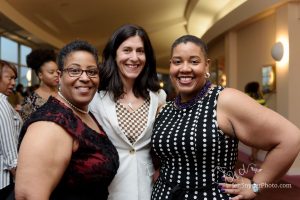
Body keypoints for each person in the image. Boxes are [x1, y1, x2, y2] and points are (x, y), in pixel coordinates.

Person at [150, 35, 300, 200]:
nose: (184, 68)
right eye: (177, 62)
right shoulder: (165, 108)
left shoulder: (224, 100)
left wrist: (255, 185)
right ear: (171, 65)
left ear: (207, 65)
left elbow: (291, 138)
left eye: (194, 61)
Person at [15, 40, 119, 200]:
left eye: (92, 71)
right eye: (74, 70)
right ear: (59, 75)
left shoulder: (83, 113)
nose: (85, 78)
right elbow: (28, 196)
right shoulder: (49, 124)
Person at [90, 24, 166, 200]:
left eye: (140, 51)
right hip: (109, 187)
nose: (134, 57)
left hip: (148, 187)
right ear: (114, 54)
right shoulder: (96, 97)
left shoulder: (159, 96)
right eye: (127, 50)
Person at [0, 60, 23, 199]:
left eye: (15, 78)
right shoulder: (1, 104)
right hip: (5, 181)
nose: (13, 83)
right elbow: (11, 155)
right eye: (10, 78)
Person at [20, 49, 59, 121]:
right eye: (51, 72)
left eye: (57, 72)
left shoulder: (64, 95)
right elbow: (26, 127)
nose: (56, 75)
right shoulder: (30, 101)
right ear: (40, 75)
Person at [244, 81, 266, 163]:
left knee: (260, 141)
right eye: (258, 87)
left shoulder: (259, 95)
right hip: (251, 121)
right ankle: (254, 157)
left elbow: (264, 106)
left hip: (261, 120)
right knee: (255, 141)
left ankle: (253, 156)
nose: (260, 88)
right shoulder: (246, 96)